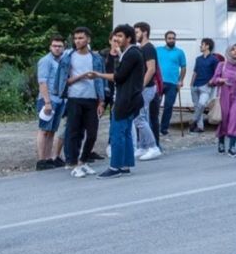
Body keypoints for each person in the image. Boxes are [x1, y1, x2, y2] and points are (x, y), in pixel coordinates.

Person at [92, 24, 145, 178]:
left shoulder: (132, 54)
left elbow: (119, 76)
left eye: (120, 36)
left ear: (129, 38)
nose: (116, 38)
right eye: (115, 35)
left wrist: (98, 75)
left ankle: (115, 167)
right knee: (126, 132)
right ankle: (126, 164)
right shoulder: (130, 53)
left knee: (117, 133)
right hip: (131, 98)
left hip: (126, 99)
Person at [57, 27, 106, 177]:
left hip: (92, 99)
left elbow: (101, 80)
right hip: (75, 97)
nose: (77, 41)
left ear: (88, 40)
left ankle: (83, 161)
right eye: (76, 38)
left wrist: (101, 101)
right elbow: (65, 82)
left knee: (92, 133)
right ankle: (72, 162)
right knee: (73, 131)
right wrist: (82, 76)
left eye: (81, 38)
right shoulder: (68, 58)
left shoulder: (96, 58)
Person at [210, 41, 236, 156]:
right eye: (233, 49)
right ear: (228, 52)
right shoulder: (222, 65)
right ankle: (221, 142)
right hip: (224, 98)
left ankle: (232, 147)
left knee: (235, 121)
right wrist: (221, 80)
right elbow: (213, 80)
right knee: (224, 122)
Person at [35, 34, 67, 170]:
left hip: (59, 99)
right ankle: (41, 160)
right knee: (44, 130)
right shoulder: (45, 61)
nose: (57, 48)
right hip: (48, 99)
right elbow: (42, 82)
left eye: (60, 46)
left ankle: (49, 158)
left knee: (52, 130)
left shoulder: (62, 61)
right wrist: (47, 102)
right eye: (55, 46)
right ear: (50, 47)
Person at [132, 22, 161, 160]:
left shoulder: (148, 48)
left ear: (144, 32)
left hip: (147, 87)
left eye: (137, 32)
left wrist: (141, 86)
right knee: (143, 116)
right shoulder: (142, 48)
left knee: (139, 118)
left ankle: (152, 146)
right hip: (145, 87)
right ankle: (143, 147)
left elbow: (151, 69)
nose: (135, 35)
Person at [156, 30, 187, 136]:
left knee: (168, 106)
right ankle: (154, 126)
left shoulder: (180, 52)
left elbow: (183, 67)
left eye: (173, 38)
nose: (171, 40)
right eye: (169, 38)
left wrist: (181, 80)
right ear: (165, 39)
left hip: (173, 83)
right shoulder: (158, 50)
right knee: (155, 105)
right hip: (159, 82)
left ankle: (164, 128)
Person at [189, 38, 219, 133]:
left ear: (207, 46)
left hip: (206, 86)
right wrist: (191, 84)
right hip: (195, 85)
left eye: (202, 44)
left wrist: (211, 81)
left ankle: (193, 120)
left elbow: (217, 73)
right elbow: (195, 72)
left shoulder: (214, 59)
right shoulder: (198, 59)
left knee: (201, 104)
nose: (200, 46)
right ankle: (200, 127)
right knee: (197, 106)